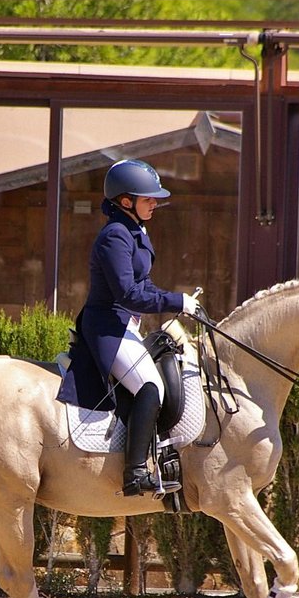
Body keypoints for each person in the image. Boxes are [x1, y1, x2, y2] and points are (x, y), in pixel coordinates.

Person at [56, 159, 198, 497]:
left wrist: (177, 301)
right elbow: (129, 294)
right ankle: (134, 474)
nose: (155, 203)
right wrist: (176, 301)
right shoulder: (114, 237)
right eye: (147, 198)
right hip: (106, 325)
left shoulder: (135, 231)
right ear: (125, 201)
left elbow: (144, 286)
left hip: (124, 324)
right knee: (151, 387)